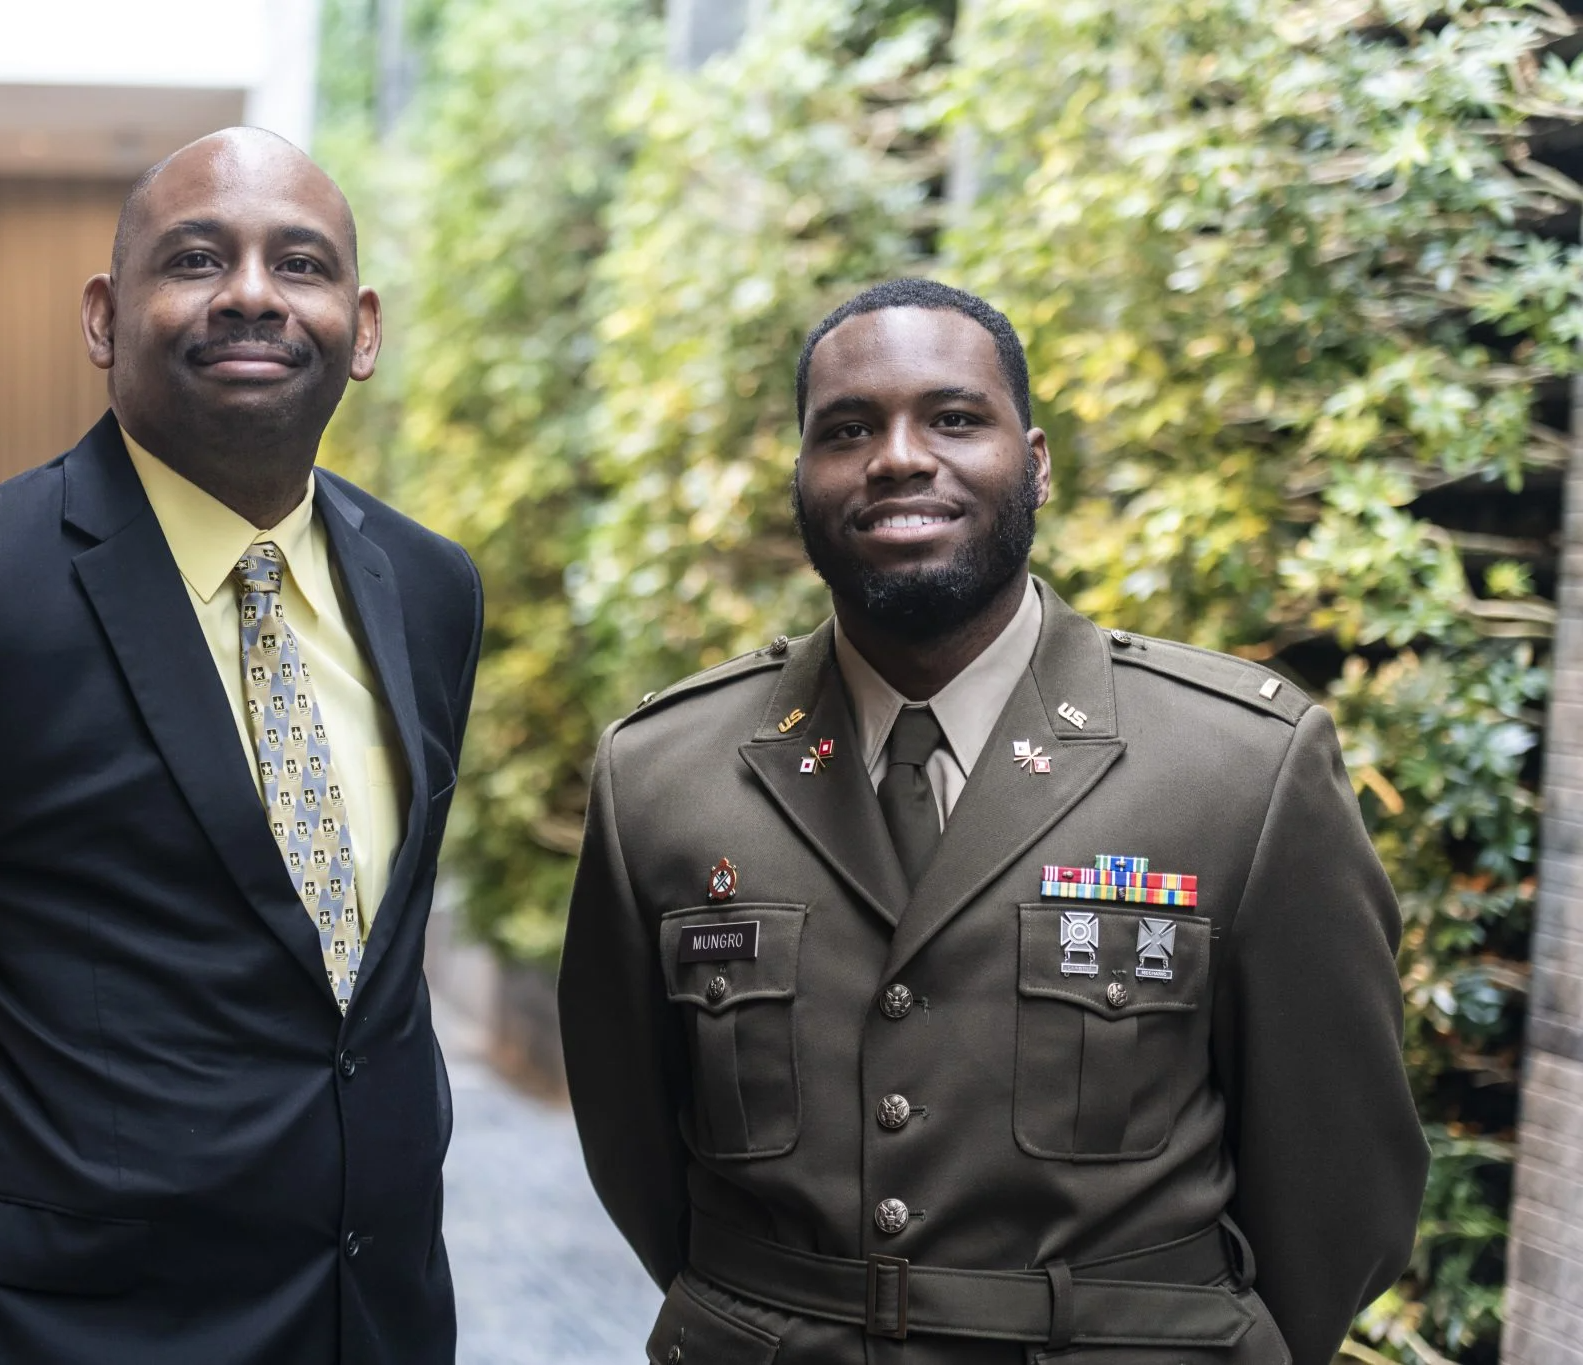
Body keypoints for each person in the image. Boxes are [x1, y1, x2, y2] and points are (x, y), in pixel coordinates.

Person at [0, 128, 481, 1365]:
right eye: (197, 257)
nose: (253, 293)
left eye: (302, 263)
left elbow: (363, 990)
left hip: (370, 1324)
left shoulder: (431, 591)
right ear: (105, 317)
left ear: (361, 328)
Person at [558, 278, 1426, 1365]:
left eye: (953, 418)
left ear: (1037, 461)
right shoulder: (663, 778)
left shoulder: (1237, 769)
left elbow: (1340, 1188)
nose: (897, 457)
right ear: (802, 478)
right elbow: (635, 1152)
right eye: (846, 430)